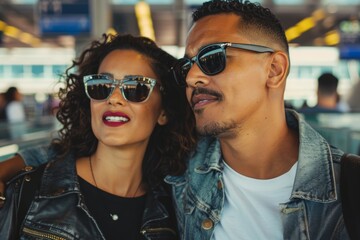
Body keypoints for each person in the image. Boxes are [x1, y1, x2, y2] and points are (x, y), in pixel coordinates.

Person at [167, 0, 351, 239]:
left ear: (274, 69)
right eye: (186, 67)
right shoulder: (177, 177)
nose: (192, 78)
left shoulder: (348, 191)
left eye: (212, 57)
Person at [0, 33, 196, 239]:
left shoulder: (174, 212)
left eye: (136, 88)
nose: (114, 99)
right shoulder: (25, 192)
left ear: (163, 112)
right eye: (101, 86)